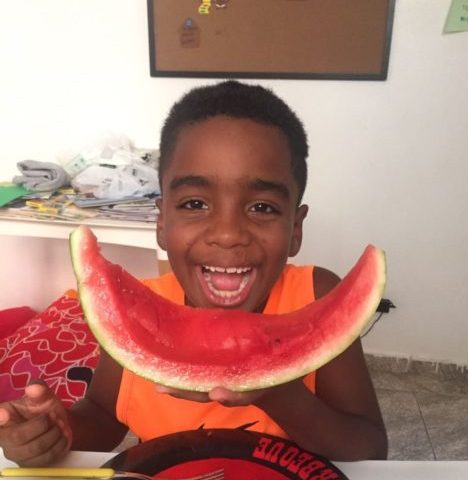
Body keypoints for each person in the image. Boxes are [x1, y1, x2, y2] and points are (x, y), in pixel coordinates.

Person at [0, 80, 387, 466]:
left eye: (263, 208)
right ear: (161, 223)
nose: (228, 234)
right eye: (195, 203)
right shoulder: (137, 315)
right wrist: (57, 430)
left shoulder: (317, 295)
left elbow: (368, 448)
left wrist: (278, 392)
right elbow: (104, 419)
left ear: (296, 229)